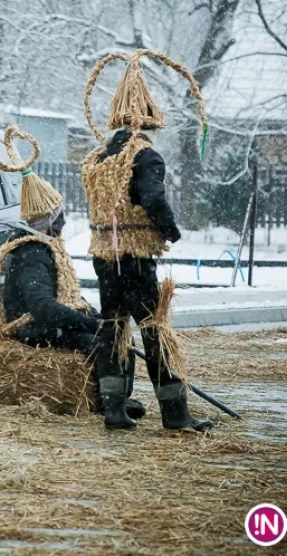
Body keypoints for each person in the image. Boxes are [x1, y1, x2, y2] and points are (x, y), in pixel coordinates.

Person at [80, 48, 214, 432]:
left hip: (105, 257)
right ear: (150, 121)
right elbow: (154, 197)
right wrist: (169, 230)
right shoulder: (145, 156)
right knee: (155, 331)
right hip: (136, 259)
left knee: (113, 327)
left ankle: (113, 410)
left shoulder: (101, 156)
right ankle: (176, 413)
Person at [0, 127, 145, 422]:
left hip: (42, 323)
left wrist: (96, 317)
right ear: (48, 222)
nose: (65, 222)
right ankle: (106, 403)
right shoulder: (33, 254)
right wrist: (90, 324)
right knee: (103, 342)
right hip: (31, 328)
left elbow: (62, 296)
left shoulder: (42, 248)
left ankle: (118, 398)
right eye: (60, 217)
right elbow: (42, 307)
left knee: (117, 334)